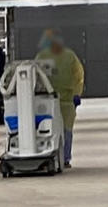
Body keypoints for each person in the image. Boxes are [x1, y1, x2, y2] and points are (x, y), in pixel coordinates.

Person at [35, 29, 85, 168]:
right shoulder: (42, 56)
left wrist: (77, 94)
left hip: (67, 100)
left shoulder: (70, 56)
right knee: (47, 129)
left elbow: (79, 76)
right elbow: (36, 75)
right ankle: (47, 154)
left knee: (66, 130)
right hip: (46, 99)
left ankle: (65, 158)